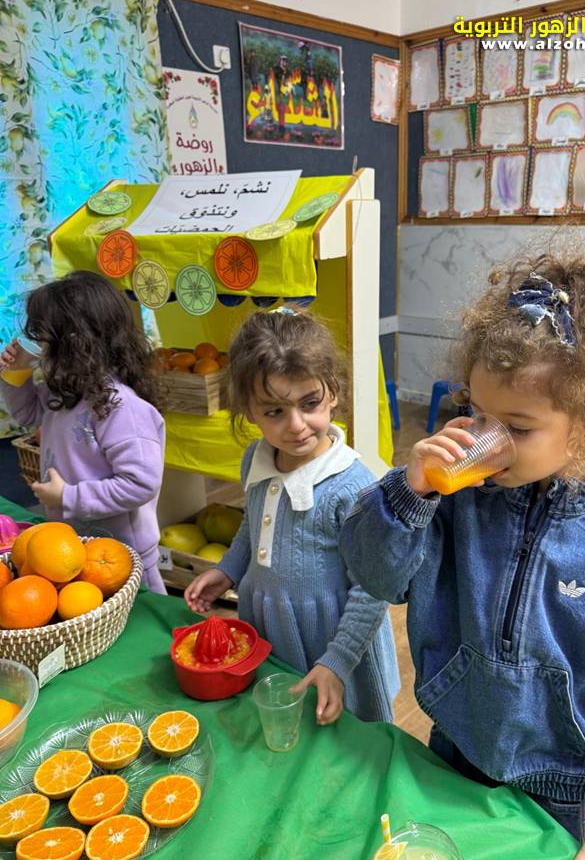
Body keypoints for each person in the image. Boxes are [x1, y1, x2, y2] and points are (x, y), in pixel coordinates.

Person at [339, 249, 585, 860]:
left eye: (518, 427)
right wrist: (409, 493)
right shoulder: (454, 503)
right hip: (455, 752)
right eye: (478, 413)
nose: (488, 439)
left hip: (566, 791)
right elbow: (374, 574)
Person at [185, 309, 399, 724]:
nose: (297, 425)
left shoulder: (355, 487)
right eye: (274, 412)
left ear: (333, 391)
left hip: (338, 643)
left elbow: (373, 590)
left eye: (310, 403)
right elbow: (255, 522)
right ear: (249, 410)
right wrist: (228, 569)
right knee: (289, 724)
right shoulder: (255, 458)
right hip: (271, 627)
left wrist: (338, 660)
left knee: (350, 736)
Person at [0, 271, 166, 593]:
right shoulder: (67, 391)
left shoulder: (122, 409)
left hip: (123, 558)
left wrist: (67, 497)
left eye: (44, 340)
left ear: (75, 343)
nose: (38, 348)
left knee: (139, 616)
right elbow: (26, 413)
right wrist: (17, 373)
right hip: (72, 548)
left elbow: (140, 483)